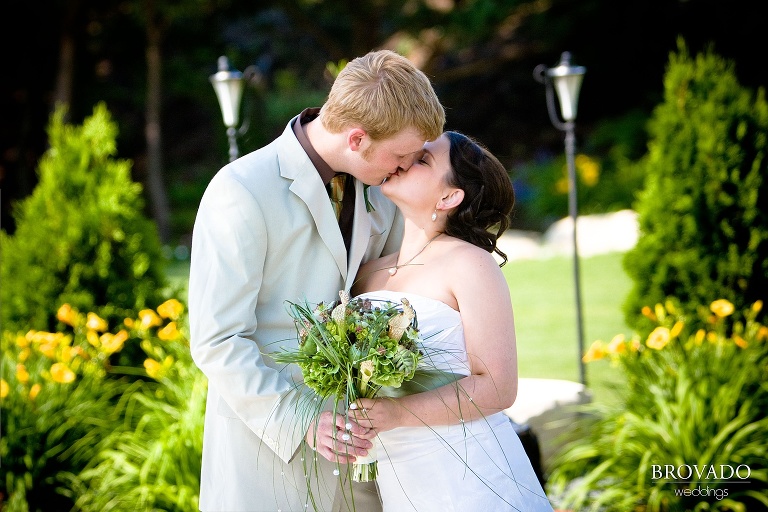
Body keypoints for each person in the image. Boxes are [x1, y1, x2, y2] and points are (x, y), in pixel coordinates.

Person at [188, 49, 445, 512]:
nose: (405, 168)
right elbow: (218, 339)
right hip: (266, 458)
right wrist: (305, 420)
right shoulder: (240, 190)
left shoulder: (380, 192)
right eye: (401, 155)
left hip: (363, 461)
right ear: (357, 138)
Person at [349, 131, 554, 511]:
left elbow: (497, 386)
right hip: (402, 482)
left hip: (474, 478)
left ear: (448, 197)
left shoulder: (469, 263)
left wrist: (396, 413)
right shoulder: (366, 272)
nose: (406, 159)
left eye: (423, 160)